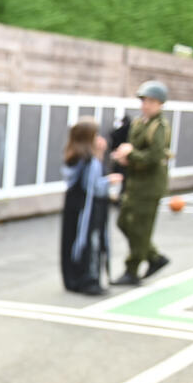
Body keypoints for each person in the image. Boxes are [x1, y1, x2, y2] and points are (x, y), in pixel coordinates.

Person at [111, 80, 172, 285]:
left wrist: (132, 154)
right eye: (144, 100)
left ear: (160, 104)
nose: (146, 105)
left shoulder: (159, 126)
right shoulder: (139, 123)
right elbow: (134, 149)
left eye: (151, 101)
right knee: (123, 222)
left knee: (141, 228)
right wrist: (124, 156)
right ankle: (154, 257)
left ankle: (132, 269)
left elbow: (154, 156)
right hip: (134, 182)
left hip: (149, 186)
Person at [61, 117, 122, 295]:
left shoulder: (73, 156)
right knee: (89, 241)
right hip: (88, 210)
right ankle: (88, 280)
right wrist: (110, 180)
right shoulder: (90, 160)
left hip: (73, 207)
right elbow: (94, 187)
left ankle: (73, 278)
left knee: (71, 240)